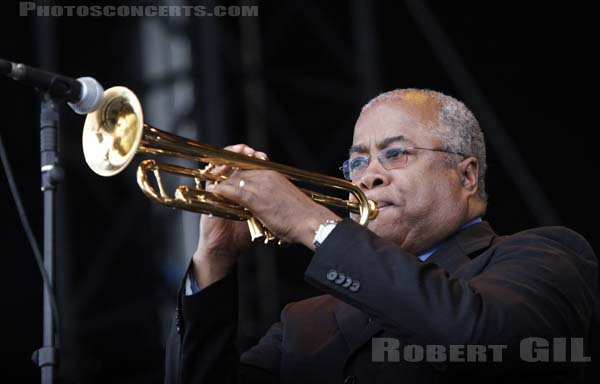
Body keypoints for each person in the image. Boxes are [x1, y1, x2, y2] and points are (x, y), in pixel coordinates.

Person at [165, 89, 599, 384]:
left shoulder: (546, 255)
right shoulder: (302, 321)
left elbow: (482, 338)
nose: (369, 176)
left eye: (395, 154)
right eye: (357, 162)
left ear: (466, 176)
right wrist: (214, 259)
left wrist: (309, 222)